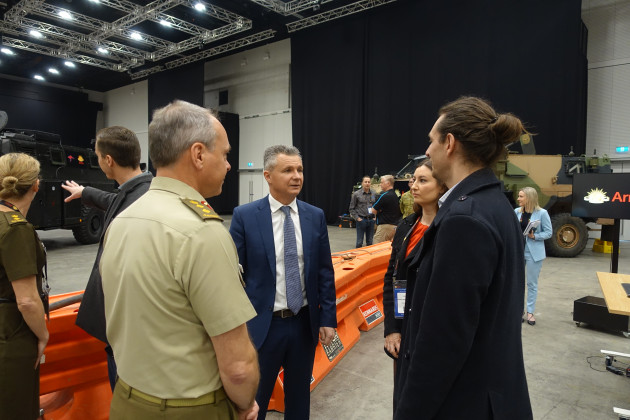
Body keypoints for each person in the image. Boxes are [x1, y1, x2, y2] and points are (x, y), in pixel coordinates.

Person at [100, 100, 259, 420]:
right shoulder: (202, 233)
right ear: (198, 154)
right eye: (225, 154)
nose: (229, 165)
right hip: (190, 409)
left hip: (126, 399)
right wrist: (245, 403)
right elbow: (238, 368)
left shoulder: (123, 220)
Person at [393, 96, 533, 419]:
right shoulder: (495, 206)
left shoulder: (463, 219)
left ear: (450, 143)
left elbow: (443, 342)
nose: (427, 151)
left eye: (431, 141)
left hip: (463, 404)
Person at [230, 145, 337, 420]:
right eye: (287, 170)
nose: (296, 176)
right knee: (256, 402)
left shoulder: (315, 216)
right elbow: (232, 276)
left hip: (303, 324)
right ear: (268, 175)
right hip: (262, 327)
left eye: (299, 169)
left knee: (299, 399)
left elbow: (325, 271)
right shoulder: (245, 216)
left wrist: (328, 318)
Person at [61, 126, 152, 391]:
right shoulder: (139, 191)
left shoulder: (142, 199)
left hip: (129, 330)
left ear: (108, 160)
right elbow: (115, 199)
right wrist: (86, 191)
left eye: (99, 157)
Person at [0, 153, 49, 420]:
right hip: (12, 333)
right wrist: (42, 335)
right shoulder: (16, 229)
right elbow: (27, 301)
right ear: (35, 186)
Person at [382, 159, 445, 365]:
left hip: (434, 330)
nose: (414, 186)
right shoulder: (406, 226)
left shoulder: (450, 228)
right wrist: (391, 329)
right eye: (413, 179)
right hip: (403, 327)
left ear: (442, 186)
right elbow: (391, 277)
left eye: (423, 180)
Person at [515, 187, 552, 326]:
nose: (518, 199)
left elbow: (548, 233)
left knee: (531, 284)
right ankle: (519, 311)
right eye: (519, 196)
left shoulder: (542, 213)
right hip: (518, 251)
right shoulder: (516, 212)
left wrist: (534, 236)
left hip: (533, 253)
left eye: (521, 196)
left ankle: (530, 312)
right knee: (517, 283)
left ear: (529, 198)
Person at [371, 174, 402, 243]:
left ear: (388, 183)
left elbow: (373, 210)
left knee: (377, 250)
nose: (380, 184)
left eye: (382, 182)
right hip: (393, 227)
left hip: (384, 227)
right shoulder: (395, 195)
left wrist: (379, 210)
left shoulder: (384, 196)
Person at [349, 175, 376, 248]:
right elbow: (351, 208)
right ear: (362, 183)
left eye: (369, 182)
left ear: (370, 183)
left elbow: (376, 206)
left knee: (370, 242)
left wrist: (375, 217)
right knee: (359, 242)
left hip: (371, 220)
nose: (367, 183)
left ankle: (369, 258)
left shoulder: (374, 194)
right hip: (361, 220)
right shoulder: (356, 194)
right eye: (365, 182)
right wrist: (357, 218)